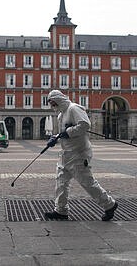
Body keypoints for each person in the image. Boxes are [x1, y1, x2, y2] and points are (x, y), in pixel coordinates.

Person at [44, 90, 118, 221]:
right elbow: (63, 132)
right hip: (66, 154)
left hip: (79, 153)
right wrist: (55, 138)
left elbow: (85, 124)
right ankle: (61, 210)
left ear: (58, 99)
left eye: (53, 102)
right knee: (61, 182)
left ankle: (109, 204)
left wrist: (69, 132)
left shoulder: (73, 108)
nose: (52, 105)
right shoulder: (61, 115)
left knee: (87, 182)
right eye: (50, 103)